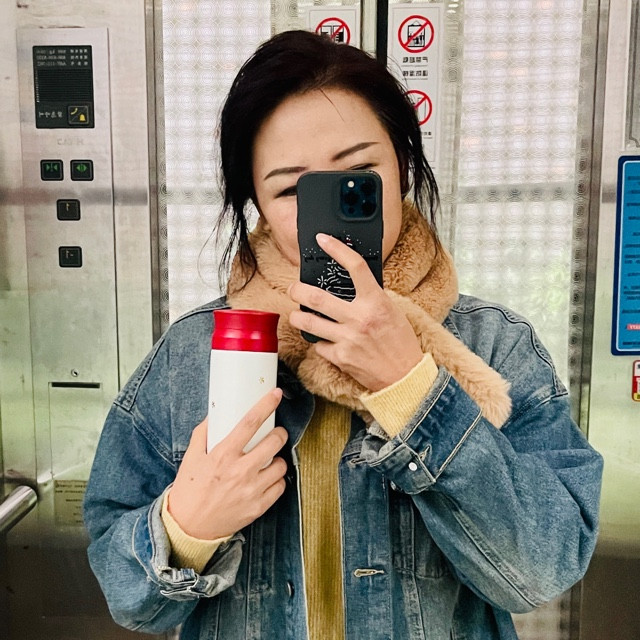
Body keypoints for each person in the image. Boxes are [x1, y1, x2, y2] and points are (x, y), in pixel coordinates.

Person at [83, 30, 603, 640]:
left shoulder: (492, 346)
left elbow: (542, 571)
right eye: (290, 189)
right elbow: (126, 597)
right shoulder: (193, 354)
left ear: (402, 168)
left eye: (359, 174)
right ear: (256, 203)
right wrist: (186, 528)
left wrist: (412, 389)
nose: (326, 215)